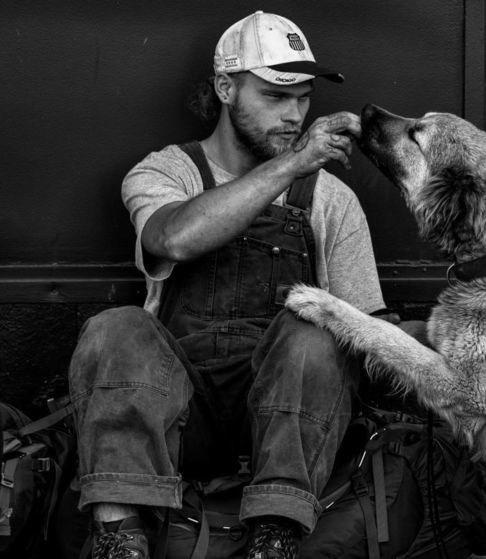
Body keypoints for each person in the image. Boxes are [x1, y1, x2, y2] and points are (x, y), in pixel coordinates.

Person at [68, 11, 404, 559]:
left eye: (302, 97)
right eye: (275, 95)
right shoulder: (165, 172)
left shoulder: (332, 200)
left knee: (318, 329)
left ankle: (275, 536)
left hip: (288, 427)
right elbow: (174, 238)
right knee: (115, 327)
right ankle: (119, 536)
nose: (294, 115)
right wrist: (292, 166)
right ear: (226, 88)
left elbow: (367, 334)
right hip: (180, 418)